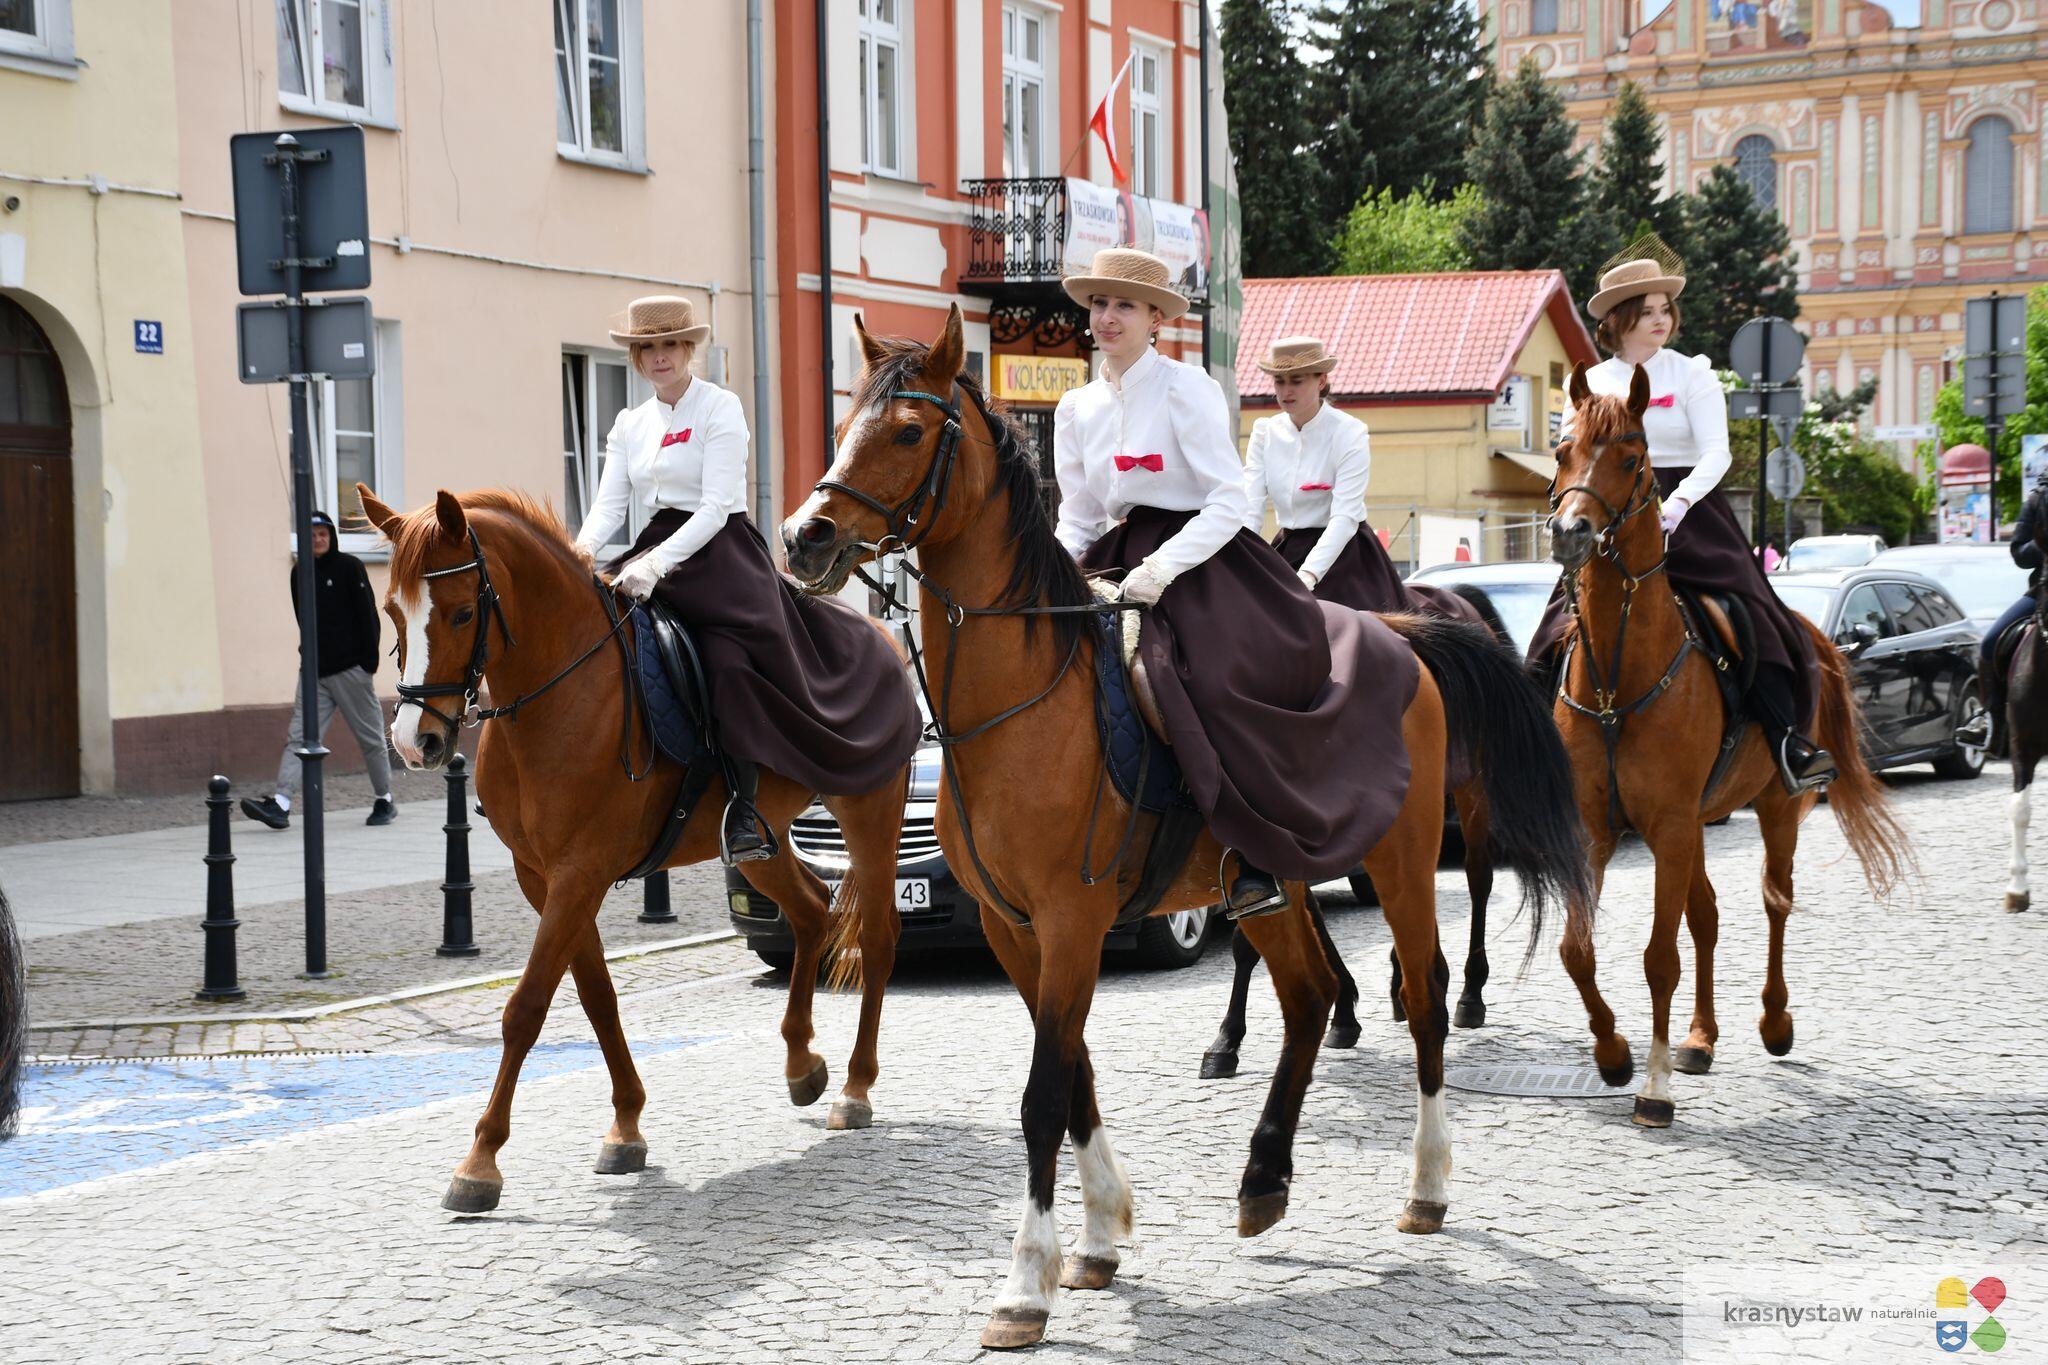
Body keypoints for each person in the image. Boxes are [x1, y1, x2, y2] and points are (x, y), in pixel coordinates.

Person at [1054, 249, 1420, 915]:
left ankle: (1255, 853)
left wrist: (1161, 570)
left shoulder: (1187, 387)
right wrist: (1050, 578)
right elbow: (1078, 516)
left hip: (1201, 559)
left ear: (1157, 318)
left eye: (1124, 305)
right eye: (1099, 303)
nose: (1107, 317)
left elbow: (1226, 502)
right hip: (1114, 556)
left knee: (1215, 682)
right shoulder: (1075, 407)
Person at [572, 295, 919, 865]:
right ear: (636, 356)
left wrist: (657, 564)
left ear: (688, 348)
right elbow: (609, 508)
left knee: (729, 665)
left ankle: (743, 806)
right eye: (647, 348)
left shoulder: (720, 407)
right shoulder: (629, 424)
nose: (659, 357)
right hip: (651, 546)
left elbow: (713, 508)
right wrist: (581, 553)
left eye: (670, 344)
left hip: (721, 554)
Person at [1528, 251, 1836, 794]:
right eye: (1647, 310)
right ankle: (1532, 750)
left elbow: (1718, 453)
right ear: (1619, 319)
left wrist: (1678, 503)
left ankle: (1789, 742)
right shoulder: (1590, 381)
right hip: (1609, 512)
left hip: (1692, 513)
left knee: (1756, 616)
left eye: (1665, 309)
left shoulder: (1692, 373)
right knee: (1551, 632)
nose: (1661, 319)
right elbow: (1573, 456)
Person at [1243, 335, 1485, 627]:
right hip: (1287, 549)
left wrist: (1308, 576)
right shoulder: (1264, 432)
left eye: (1296, 380)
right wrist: (1242, 559)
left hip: (1348, 555)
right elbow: (1250, 510)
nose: (1286, 391)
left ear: (1321, 381)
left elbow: (1344, 517)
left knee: (1376, 637)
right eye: (1279, 381)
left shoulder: (1349, 432)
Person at [241, 510, 397, 829]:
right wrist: (309, 657)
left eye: (323, 534)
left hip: (351, 671)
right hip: (314, 673)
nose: (318, 540)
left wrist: (368, 663)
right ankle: (281, 804)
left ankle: (384, 799)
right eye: (311, 536)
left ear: (332, 536)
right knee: (298, 737)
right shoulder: (299, 573)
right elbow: (303, 619)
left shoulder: (350, 567)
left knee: (370, 738)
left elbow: (368, 617)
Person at [1969, 472, 2048, 754]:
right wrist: (2043, 542)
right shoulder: (2038, 500)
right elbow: (2019, 552)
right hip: (2043, 592)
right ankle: (1989, 722)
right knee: (1990, 643)